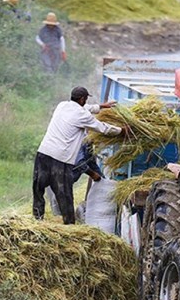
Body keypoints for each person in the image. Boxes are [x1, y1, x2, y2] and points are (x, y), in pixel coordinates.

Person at [33, 86, 125, 224]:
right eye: (86, 99)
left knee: (38, 188)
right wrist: (121, 131)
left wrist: (100, 106)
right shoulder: (83, 116)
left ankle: (37, 219)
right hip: (61, 159)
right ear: (82, 99)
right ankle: (69, 224)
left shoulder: (62, 105)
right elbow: (103, 128)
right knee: (64, 194)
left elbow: (83, 109)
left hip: (43, 153)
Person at [46, 142, 103, 216]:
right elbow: (79, 163)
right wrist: (93, 175)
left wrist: (103, 179)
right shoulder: (80, 141)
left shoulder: (89, 145)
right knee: (59, 203)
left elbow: (91, 163)